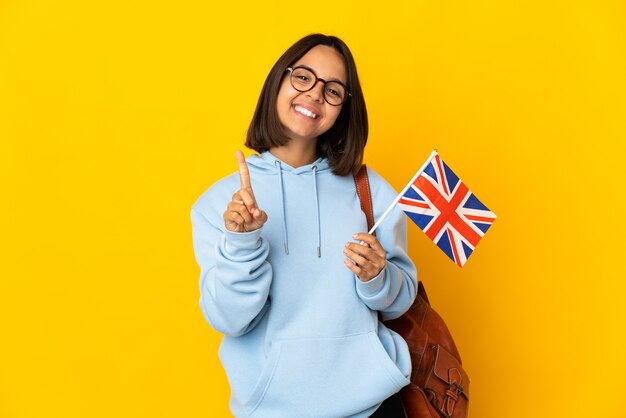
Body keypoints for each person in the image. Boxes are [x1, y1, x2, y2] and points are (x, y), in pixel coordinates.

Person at [190, 34, 417, 418]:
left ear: (344, 108)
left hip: (375, 406)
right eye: (303, 78)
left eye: (332, 90)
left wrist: (378, 276)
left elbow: (401, 301)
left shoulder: (371, 189)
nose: (314, 94)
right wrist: (242, 242)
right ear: (280, 80)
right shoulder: (219, 203)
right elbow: (228, 318)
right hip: (274, 409)